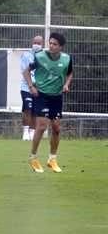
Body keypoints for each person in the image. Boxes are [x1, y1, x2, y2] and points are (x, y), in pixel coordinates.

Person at [24, 33, 72, 173]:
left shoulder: (67, 58)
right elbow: (26, 71)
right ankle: (33, 157)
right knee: (42, 126)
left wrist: (66, 84)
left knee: (56, 128)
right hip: (42, 95)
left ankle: (52, 159)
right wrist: (31, 87)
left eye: (55, 44)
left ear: (61, 47)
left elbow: (70, 73)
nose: (51, 45)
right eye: (50, 43)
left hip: (56, 97)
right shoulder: (40, 57)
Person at [19, 35, 44, 140]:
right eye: (35, 43)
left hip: (39, 88)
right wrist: (31, 84)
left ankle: (32, 132)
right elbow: (24, 71)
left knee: (35, 111)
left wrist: (39, 84)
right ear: (32, 42)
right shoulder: (26, 55)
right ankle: (25, 132)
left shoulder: (45, 56)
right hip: (26, 87)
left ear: (42, 44)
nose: (36, 45)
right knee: (27, 109)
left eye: (39, 43)